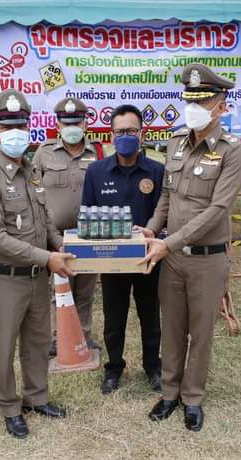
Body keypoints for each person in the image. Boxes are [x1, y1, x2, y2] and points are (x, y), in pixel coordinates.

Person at [139, 63, 241, 432]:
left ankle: (193, 397)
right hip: (172, 259)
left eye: (201, 102)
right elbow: (166, 198)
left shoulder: (233, 151)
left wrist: (168, 242)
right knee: (172, 329)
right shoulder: (175, 144)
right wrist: (151, 229)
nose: (193, 108)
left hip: (207, 260)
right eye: (190, 101)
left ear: (220, 106)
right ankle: (169, 392)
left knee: (200, 333)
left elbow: (218, 210)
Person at [0, 88, 73, 439]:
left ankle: (36, 397)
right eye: (7, 127)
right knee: (4, 347)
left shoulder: (31, 171)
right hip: (5, 280)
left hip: (37, 277)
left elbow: (45, 221)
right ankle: (10, 408)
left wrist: (60, 244)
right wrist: (48, 258)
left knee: (38, 341)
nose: (16, 133)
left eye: (21, 125)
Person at [81, 104, 164, 395]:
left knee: (150, 317)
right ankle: (114, 368)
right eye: (119, 132)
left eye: (131, 131)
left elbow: (164, 214)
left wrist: (154, 235)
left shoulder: (157, 171)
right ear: (111, 135)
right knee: (114, 319)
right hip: (112, 261)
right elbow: (87, 214)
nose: (125, 136)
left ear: (142, 134)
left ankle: (153, 367)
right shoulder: (96, 171)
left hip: (147, 260)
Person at [33, 97, 101, 356]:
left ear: (85, 124)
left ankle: (83, 336)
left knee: (85, 290)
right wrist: (50, 235)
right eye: (66, 123)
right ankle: (58, 337)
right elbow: (34, 192)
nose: (72, 127)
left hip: (88, 236)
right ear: (58, 124)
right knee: (59, 289)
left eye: (76, 122)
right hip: (56, 237)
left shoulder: (97, 153)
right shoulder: (44, 152)